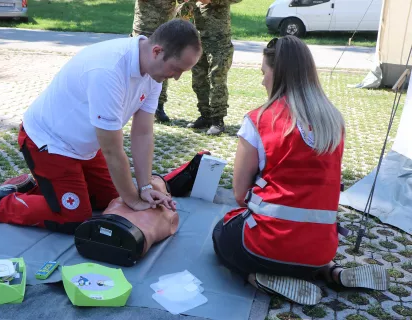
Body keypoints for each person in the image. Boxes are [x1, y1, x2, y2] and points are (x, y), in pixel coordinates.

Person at [0, 19, 202, 234]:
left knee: (111, 200)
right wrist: (133, 198)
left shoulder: (153, 71)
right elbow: (112, 150)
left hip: (85, 147)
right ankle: (1, 202)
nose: (177, 77)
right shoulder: (108, 70)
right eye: (177, 69)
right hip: (48, 143)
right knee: (75, 217)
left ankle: (38, 186)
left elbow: (143, 132)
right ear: (157, 51)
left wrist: (145, 186)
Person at [212, 36, 390, 305]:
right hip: (320, 248)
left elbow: (239, 194)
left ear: (278, 74)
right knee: (304, 242)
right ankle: (331, 270)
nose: (262, 81)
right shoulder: (334, 122)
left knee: (220, 236)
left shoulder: (259, 119)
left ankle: (256, 277)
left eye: (264, 73)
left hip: (265, 247)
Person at [187, 0, 241, 135]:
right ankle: (205, 116)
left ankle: (218, 120)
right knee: (199, 79)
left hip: (219, 41)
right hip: (199, 40)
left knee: (217, 79)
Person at [131, 0, 179, 122]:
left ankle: (159, 106)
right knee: (137, 68)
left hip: (165, 29)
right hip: (143, 27)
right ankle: (131, 101)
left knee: (164, 66)